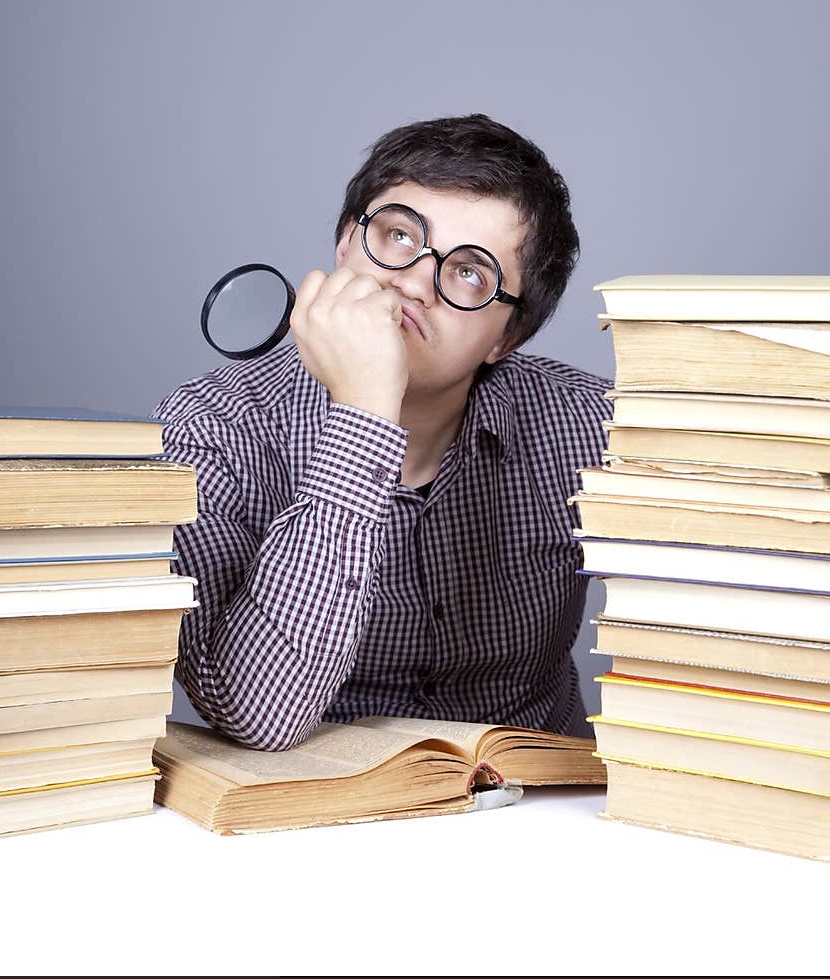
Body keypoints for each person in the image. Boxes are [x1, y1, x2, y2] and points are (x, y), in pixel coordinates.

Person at [153, 114, 611, 749]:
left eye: (470, 273)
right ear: (345, 245)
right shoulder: (213, 429)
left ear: (507, 337)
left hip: (540, 807)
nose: (414, 283)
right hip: (314, 810)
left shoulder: (590, 426)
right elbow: (256, 714)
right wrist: (366, 410)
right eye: (398, 236)